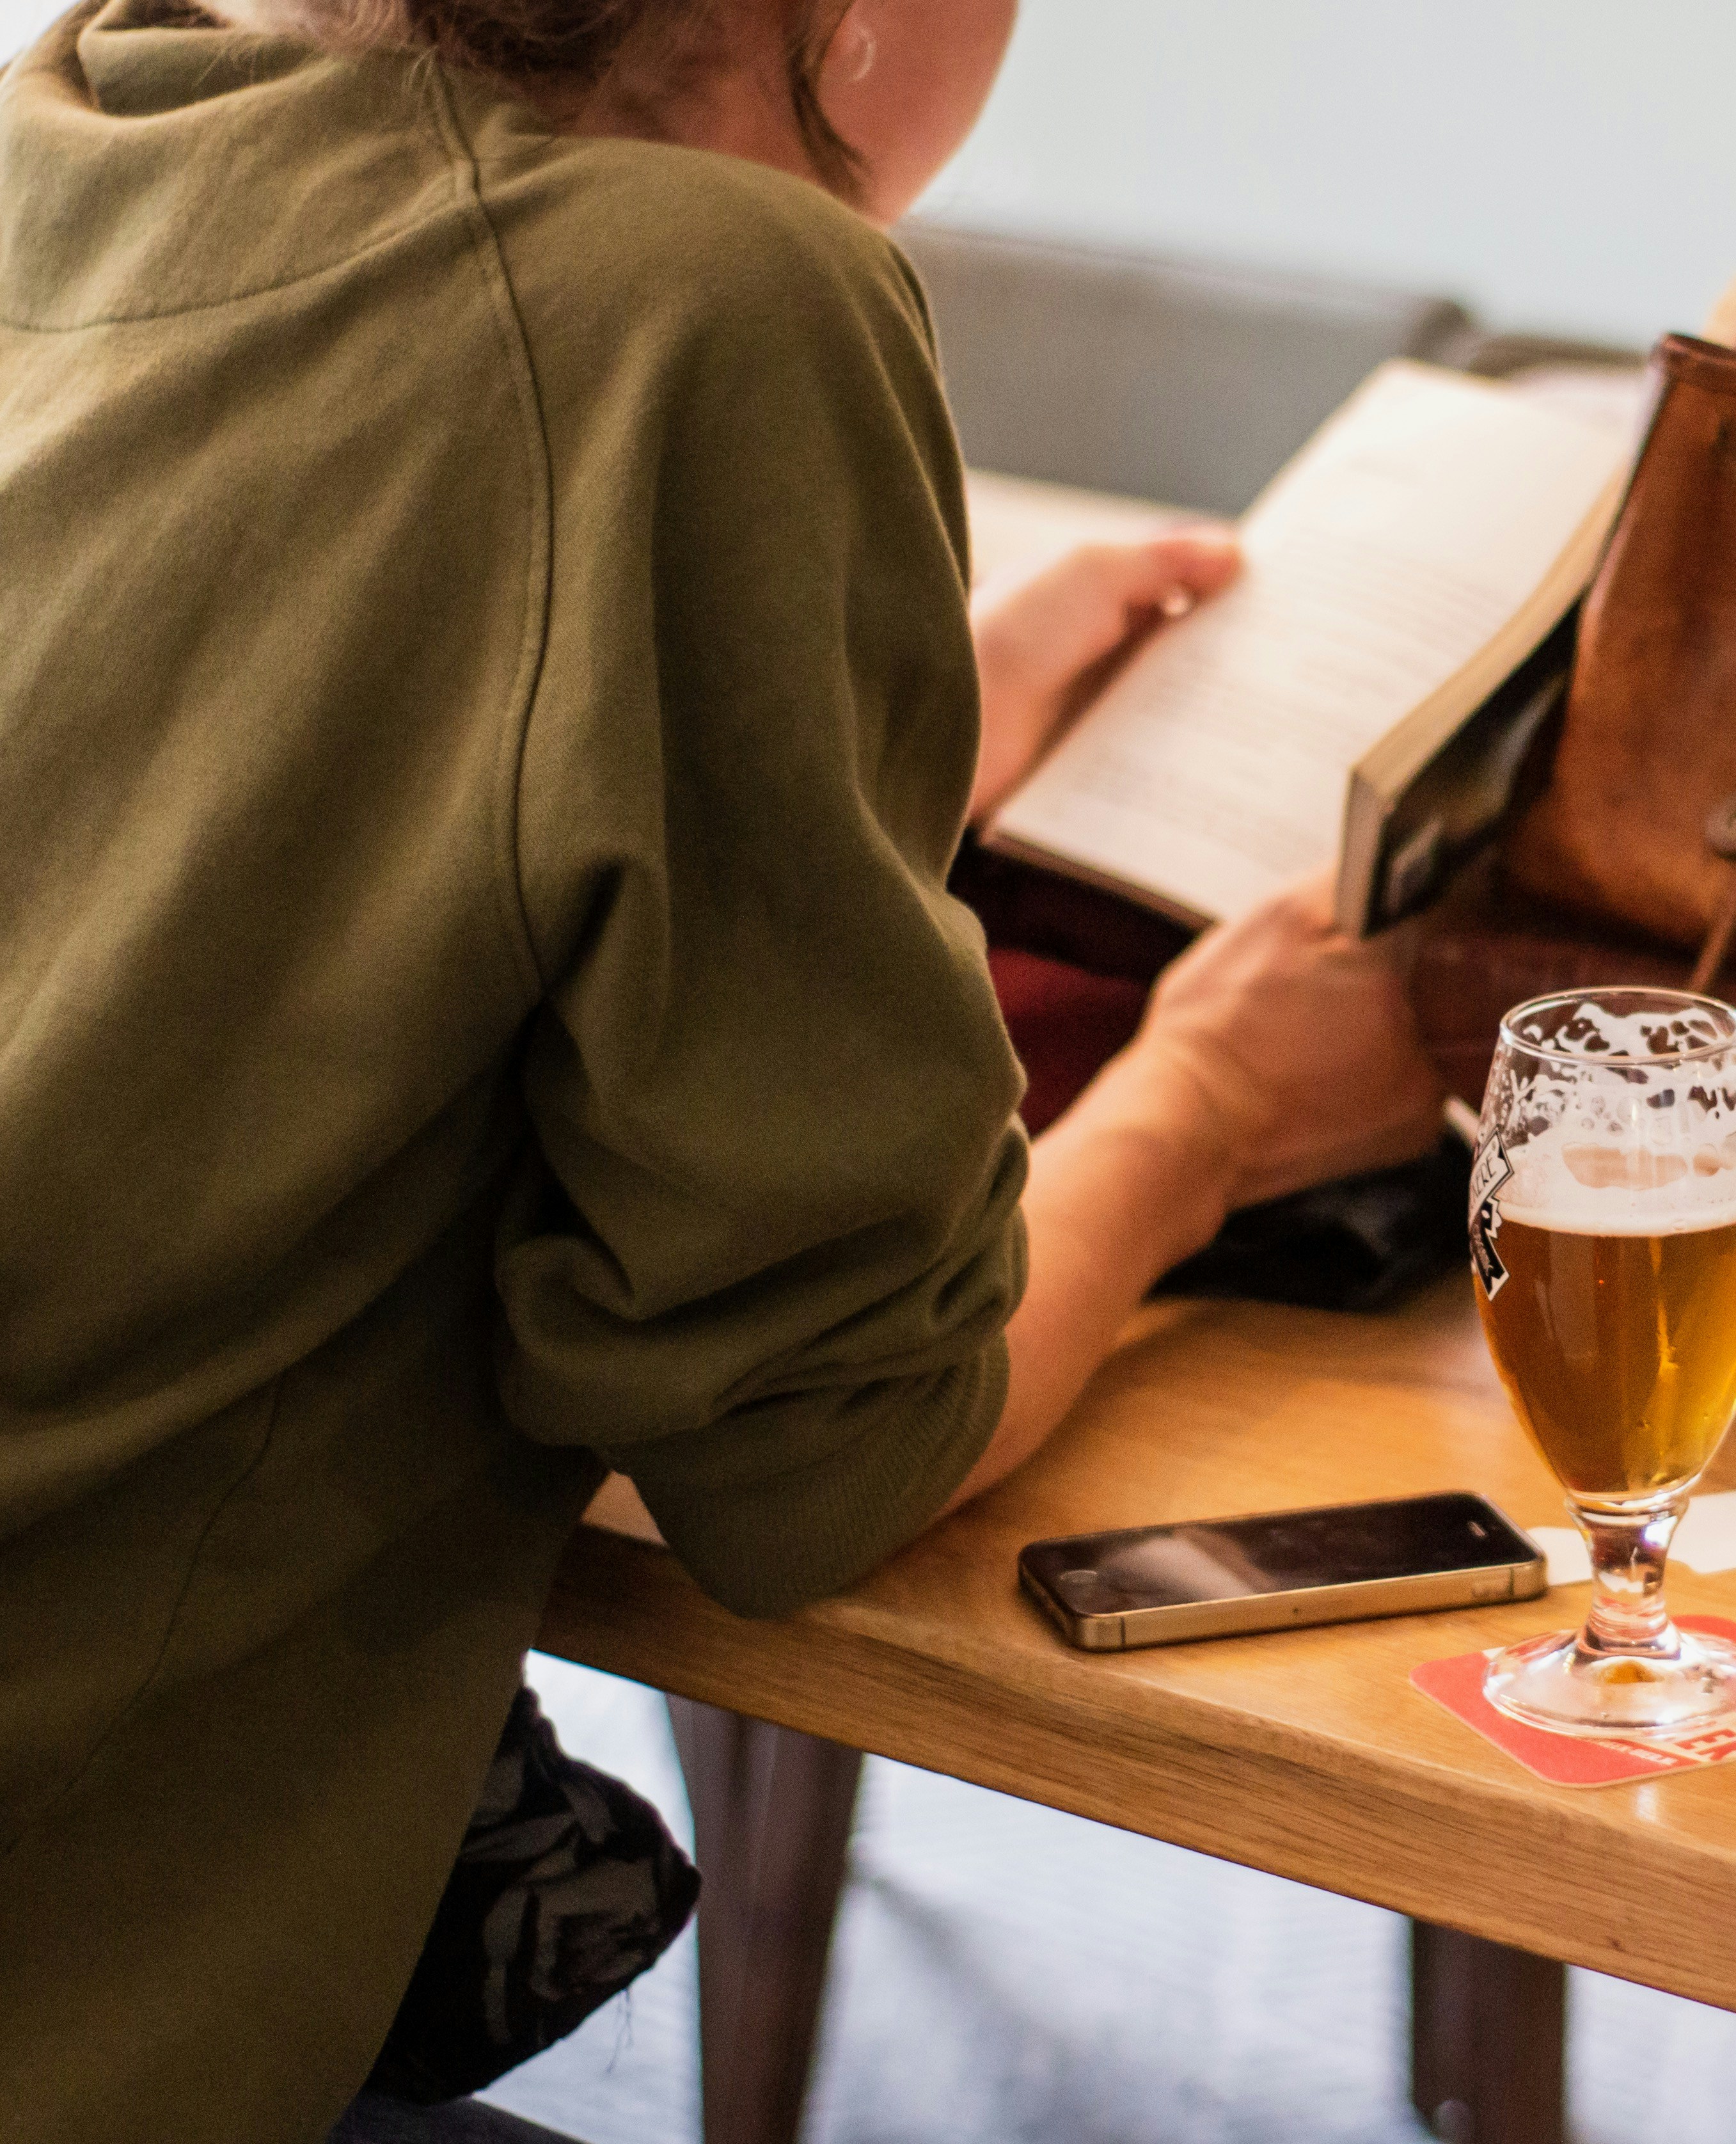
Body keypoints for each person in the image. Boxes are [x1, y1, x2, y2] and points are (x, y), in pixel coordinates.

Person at [0, 1, 1449, 2138]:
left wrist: (855, 746)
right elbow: (819, 1452)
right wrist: (1208, 1107)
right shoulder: (717, 294)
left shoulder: (104, 103)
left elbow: (244, 836)